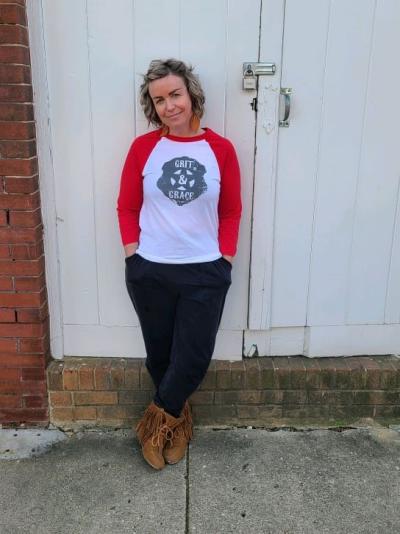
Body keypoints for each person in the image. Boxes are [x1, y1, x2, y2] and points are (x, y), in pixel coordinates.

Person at [116, 58, 242, 470]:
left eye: (175, 94)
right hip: (150, 269)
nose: (169, 105)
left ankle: (153, 426)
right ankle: (179, 426)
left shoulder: (220, 149)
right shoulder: (143, 148)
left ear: (190, 94)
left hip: (205, 270)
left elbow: (231, 210)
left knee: (191, 358)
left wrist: (225, 257)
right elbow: (127, 205)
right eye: (159, 100)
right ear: (153, 107)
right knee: (160, 358)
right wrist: (133, 255)